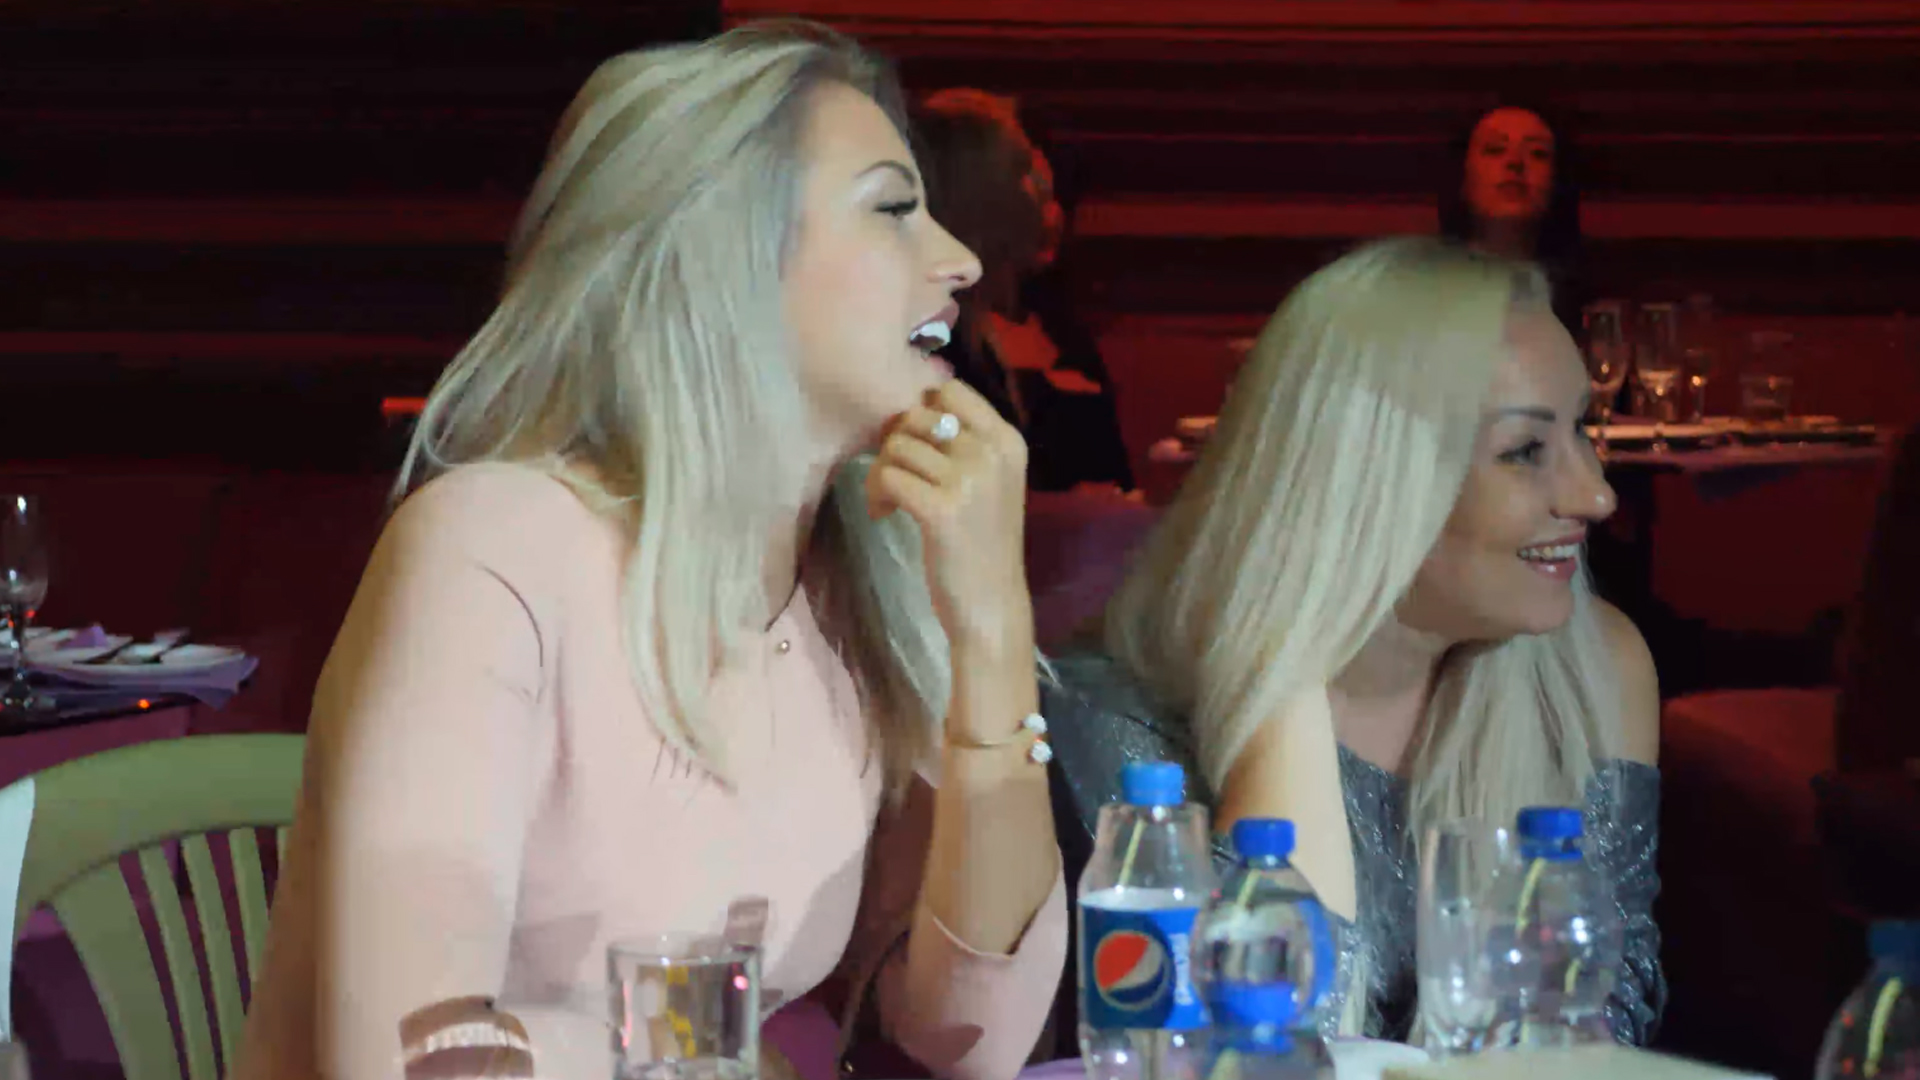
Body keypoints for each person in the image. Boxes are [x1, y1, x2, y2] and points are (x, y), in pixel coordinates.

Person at [235, 22, 1065, 1080]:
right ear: (723, 259)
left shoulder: (855, 582)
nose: (960, 261)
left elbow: (975, 1037)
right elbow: (413, 1061)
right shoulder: (489, 547)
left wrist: (993, 631)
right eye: (894, 209)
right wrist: (730, 1055)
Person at [1042, 238, 1664, 1045]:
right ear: (1367, 476)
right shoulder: (1115, 708)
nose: (1597, 495)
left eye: (1582, 430)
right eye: (1524, 451)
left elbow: (1605, 1020)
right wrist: (1285, 676)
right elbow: (1260, 1051)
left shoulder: (1593, 669)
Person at [912, 88, 1135, 493]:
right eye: (1021, 168)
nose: (1045, 186)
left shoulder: (1060, 328)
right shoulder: (934, 343)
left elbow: (1113, 475)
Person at [1438, 104, 1585, 332]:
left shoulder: (1590, 299)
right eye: (1495, 149)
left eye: (1537, 153)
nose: (1515, 163)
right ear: (1463, 176)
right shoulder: (1422, 292)